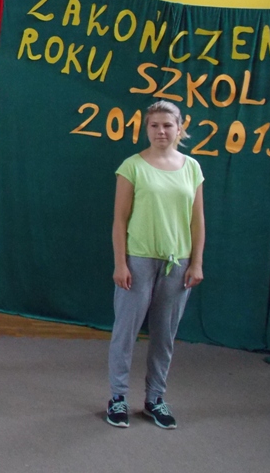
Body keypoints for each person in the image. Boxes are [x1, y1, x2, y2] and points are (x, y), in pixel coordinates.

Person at [106, 100, 205, 430]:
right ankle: (118, 397)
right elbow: (119, 220)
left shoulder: (192, 168)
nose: (161, 131)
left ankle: (155, 399)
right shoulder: (132, 166)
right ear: (146, 129)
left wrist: (196, 263)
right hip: (138, 260)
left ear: (179, 128)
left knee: (164, 336)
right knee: (125, 333)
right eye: (154, 125)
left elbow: (197, 220)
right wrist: (120, 263)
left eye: (167, 125)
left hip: (178, 264)